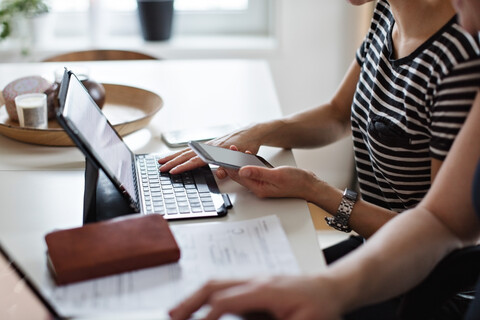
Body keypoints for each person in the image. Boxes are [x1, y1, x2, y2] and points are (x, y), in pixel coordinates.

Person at [167, 0, 480, 315]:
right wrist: (257, 131)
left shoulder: (460, 59)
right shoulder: (388, 13)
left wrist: (315, 189)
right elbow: (337, 115)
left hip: (430, 282)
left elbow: (443, 235)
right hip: (376, 247)